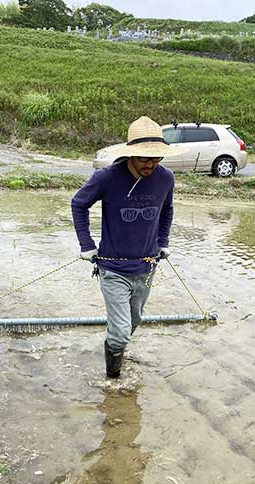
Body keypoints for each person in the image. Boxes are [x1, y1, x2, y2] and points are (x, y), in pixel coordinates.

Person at [71, 116, 186, 378]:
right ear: (131, 154)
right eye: (145, 158)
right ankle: (113, 379)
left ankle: (116, 347)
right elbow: (78, 204)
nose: (151, 164)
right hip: (113, 268)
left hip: (146, 267)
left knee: (134, 321)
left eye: (156, 158)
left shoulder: (165, 178)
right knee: (122, 330)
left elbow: (166, 210)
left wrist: (163, 242)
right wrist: (86, 245)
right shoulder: (107, 178)